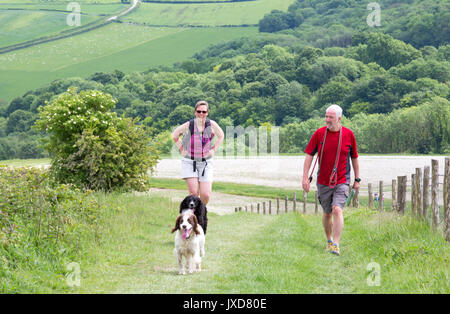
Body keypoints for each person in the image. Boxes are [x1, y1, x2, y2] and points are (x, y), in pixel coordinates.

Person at [302, 104, 360, 256]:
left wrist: (357, 179)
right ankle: (328, 240)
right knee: (327, 213)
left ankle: (336, 243)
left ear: (339, 119)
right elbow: (309, 155)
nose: (327, 120)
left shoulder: (348, 135)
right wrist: (305, 177)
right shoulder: (319, 134)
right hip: (323, 180)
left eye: (331, 117)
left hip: (342, 179)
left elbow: (354, 157)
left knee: (337, 209)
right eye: (326, 116)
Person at [172, 100, 224, 206]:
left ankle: (200, 212)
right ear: (195, 112)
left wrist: (213, 149)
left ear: (207, 113)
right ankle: (193, 216)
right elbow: (175, 135)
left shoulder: (212, 125)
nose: (201, 114)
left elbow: (221, 136)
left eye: (204, 112)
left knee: (205, 195)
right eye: (199, 111)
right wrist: (182, 149)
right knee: (194, 193)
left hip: (206, 162)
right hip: (190, 161)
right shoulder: (189, 124)